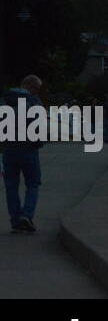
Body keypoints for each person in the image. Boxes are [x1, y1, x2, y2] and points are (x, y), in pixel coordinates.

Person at [2, 74, 45, 234]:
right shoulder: (33, 102)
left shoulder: (5, 100)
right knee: (33, 184)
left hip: (9, 150)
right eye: (37, 89)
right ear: (31, 87)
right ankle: (27, 215)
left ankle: (15, 221)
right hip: (28, 149)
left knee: (11, 186)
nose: (37, 92)